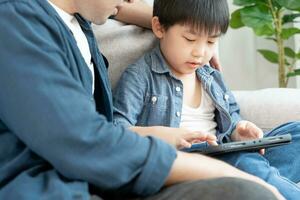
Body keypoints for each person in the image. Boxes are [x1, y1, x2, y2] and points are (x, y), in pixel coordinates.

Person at [0, 0, 283, 199]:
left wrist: (196, 33)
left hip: (103, 180)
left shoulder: (80, 25)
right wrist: (224, 173)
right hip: (53, 188)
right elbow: (87, 142)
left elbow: (126, 9)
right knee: (244, 190)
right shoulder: (14, 21)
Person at [113, 0, 300, 199]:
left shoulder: (210, 76)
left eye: (211, 42)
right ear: (159, 27)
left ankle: (262, 178)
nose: (200, 53)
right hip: (187, 165)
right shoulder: (140, 77)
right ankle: (264, 180)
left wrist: (239, 130)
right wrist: (169, 136)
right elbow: (116, 131)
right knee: (245, 162)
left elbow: (232, 117)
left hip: (225, 152)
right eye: (190, 39)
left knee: (294, 134)